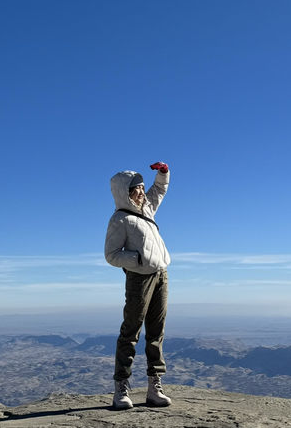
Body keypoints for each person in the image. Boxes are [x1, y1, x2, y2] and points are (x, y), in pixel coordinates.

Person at [104, 161, 172, 410]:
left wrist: (163, 173)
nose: (142, 192)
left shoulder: (147, 210)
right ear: (125, 192)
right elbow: (111, 254)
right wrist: (139, 259)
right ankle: (121, 387)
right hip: (139, 278)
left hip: (161, 275)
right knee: (131, 332)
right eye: (136, 189)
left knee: (156, 332)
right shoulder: (120, 219)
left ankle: (155, 386)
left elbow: (159, 191)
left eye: (142, 188)